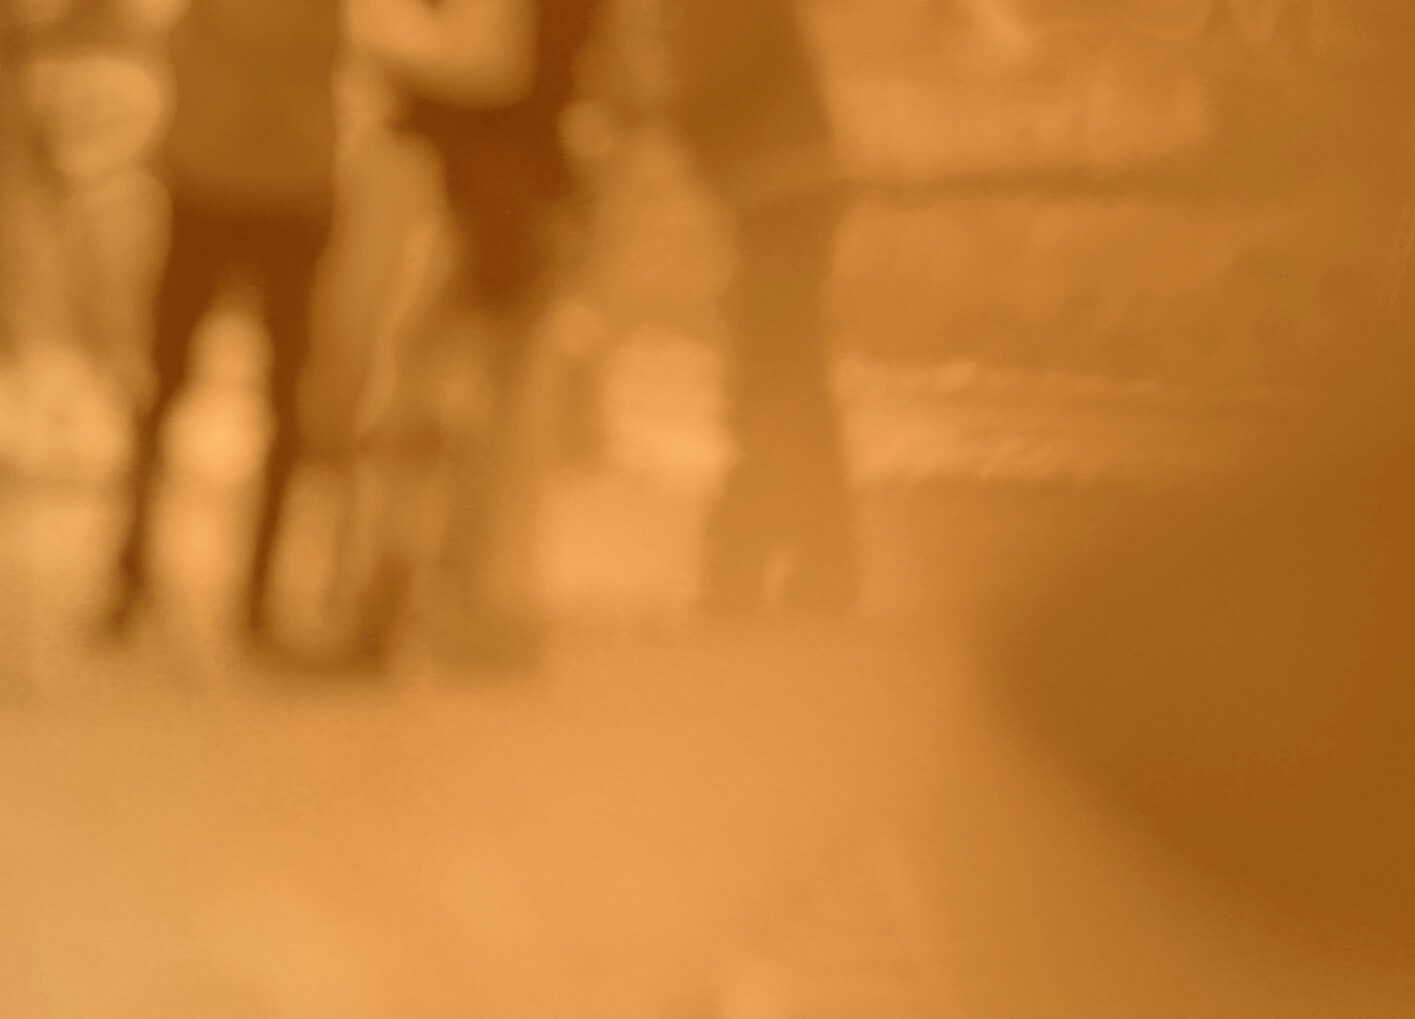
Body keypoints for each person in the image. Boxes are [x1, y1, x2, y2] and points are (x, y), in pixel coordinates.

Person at [357, 0, 617, 667]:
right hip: (520, 197)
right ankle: (478, 610)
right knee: (499, 416)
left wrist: (375, 29)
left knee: (428, 408)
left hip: (487, 206)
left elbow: (486, 63)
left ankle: (401, 605)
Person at [106, 0, 356, 650]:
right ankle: (136, 576)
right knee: (171, 388)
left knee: (265, 398)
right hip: (216, 180)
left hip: (277, 188)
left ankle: (248, 596)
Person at [667, 0, 854, 616]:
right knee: (788, 376)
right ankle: (816, 565)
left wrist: (658, 110)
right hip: (782, 183)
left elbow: (720, 80)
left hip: (778, 184)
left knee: (771, 377)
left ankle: (746, 563)